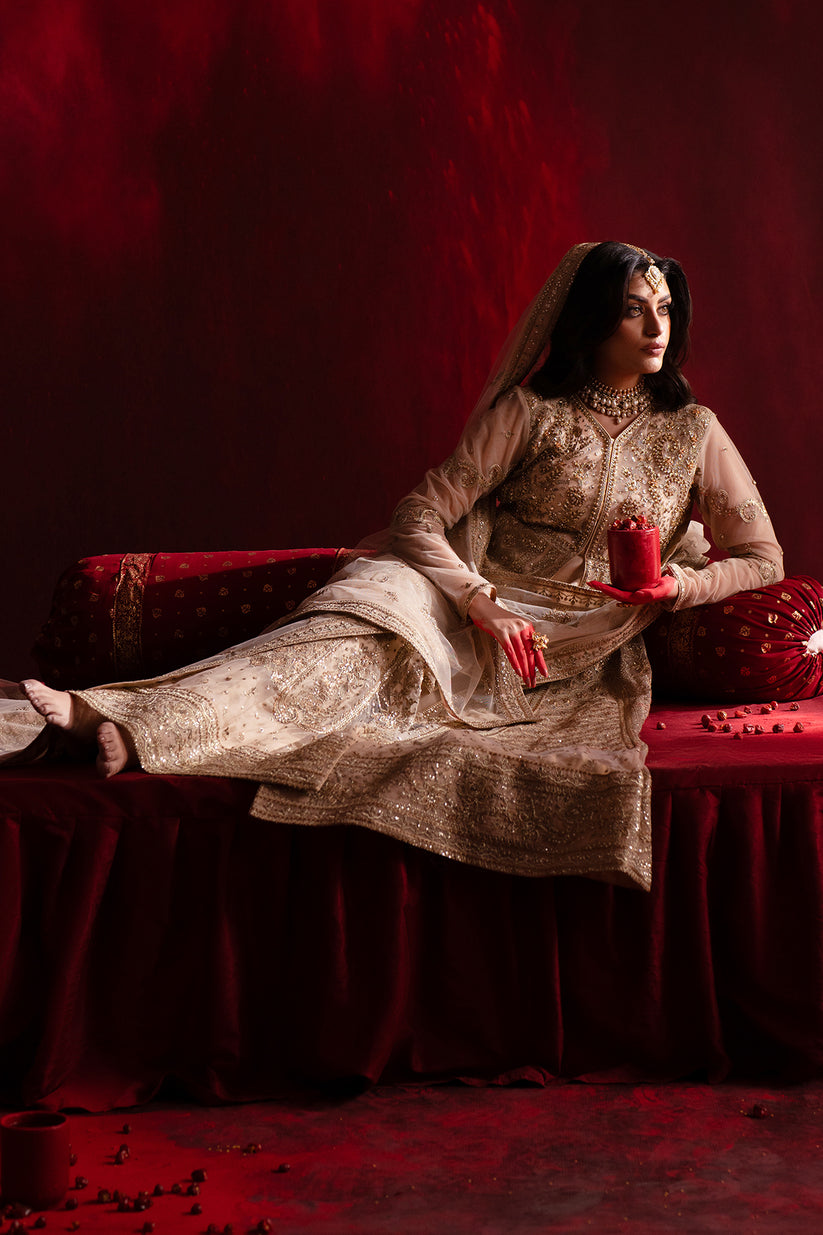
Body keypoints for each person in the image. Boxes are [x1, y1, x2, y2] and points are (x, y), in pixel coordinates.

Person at [15, 242, 783, 891]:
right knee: (341, 640)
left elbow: (762, 559)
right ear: (591, 320)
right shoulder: (529, 412)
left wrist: (678, 586)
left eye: (664, 309)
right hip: (475, 595)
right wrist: (479, 601)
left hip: (575, 639)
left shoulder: (693, 431)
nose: (656, 326)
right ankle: (118, 719)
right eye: (633, 309)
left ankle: (133, 729)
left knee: (374, 684)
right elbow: (421, 513)